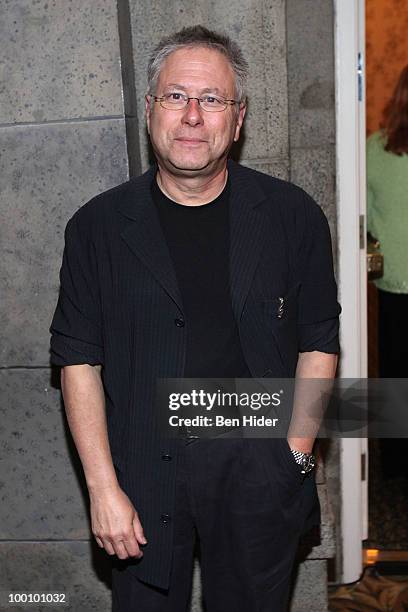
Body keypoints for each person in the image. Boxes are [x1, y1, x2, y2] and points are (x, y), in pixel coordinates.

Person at [50, 25, 340, 611]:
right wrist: (103, 489)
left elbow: (319, 343)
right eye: (176, 96)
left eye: (212, 100)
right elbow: (77, 359)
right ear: (151, 109)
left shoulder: (291, 216)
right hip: (141, 469)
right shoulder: (97, 228)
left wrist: (294, 453)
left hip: (258, 458)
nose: (192, 116)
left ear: (238, 119)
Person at [367, 64, 408, 479]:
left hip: (395, 281)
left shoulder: (375, 149)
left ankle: (396, 465)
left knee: (397, 373)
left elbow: (364, 216)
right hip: (395, 280)